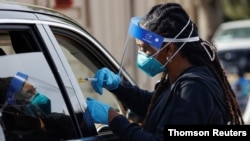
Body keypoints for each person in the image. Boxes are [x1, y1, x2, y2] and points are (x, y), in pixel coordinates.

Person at [85, 3, 244, 141]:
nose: (142, 56)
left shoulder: (194, 88)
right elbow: (157, 107)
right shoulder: (181, 80)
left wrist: (112, 118)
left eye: (146, 50)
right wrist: (118, 87)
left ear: (169, 49)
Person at [0, 72, 85, 141]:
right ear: (14, 109)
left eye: (35, 90)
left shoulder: (55, 119)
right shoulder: (16, 138)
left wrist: (92, 120)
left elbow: (90, 127)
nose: (38, 96)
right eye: (29, 94)